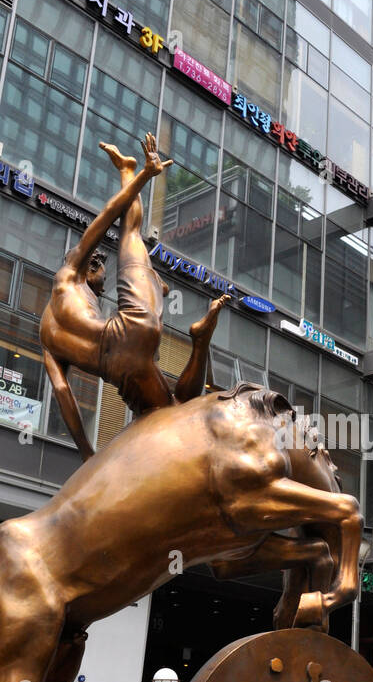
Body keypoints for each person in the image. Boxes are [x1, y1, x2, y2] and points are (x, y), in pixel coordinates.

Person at [40, 134, 230, 459]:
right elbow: (107, 219)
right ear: (91, 266)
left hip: (121, 369)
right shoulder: (70, 273)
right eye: (101, 279)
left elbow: (61, 391)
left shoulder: (48, 335)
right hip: (134, 328)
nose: (103, 288)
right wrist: (141, 175)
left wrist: (87, 453)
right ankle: (197, 338)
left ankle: (198, 339)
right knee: (129, 233)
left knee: (171, 411)